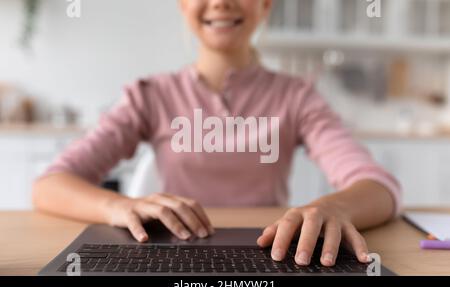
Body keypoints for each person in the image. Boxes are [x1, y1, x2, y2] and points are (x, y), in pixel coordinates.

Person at [32, 0, 401, 267]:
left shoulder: (297, 96)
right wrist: (120, 205)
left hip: (269, 254)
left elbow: (379, 187)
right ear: (182, 5)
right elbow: (50, 185)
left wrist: (330, 207)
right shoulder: (149, 94)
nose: (221, 3)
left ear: (265, 5)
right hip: (170, 257)